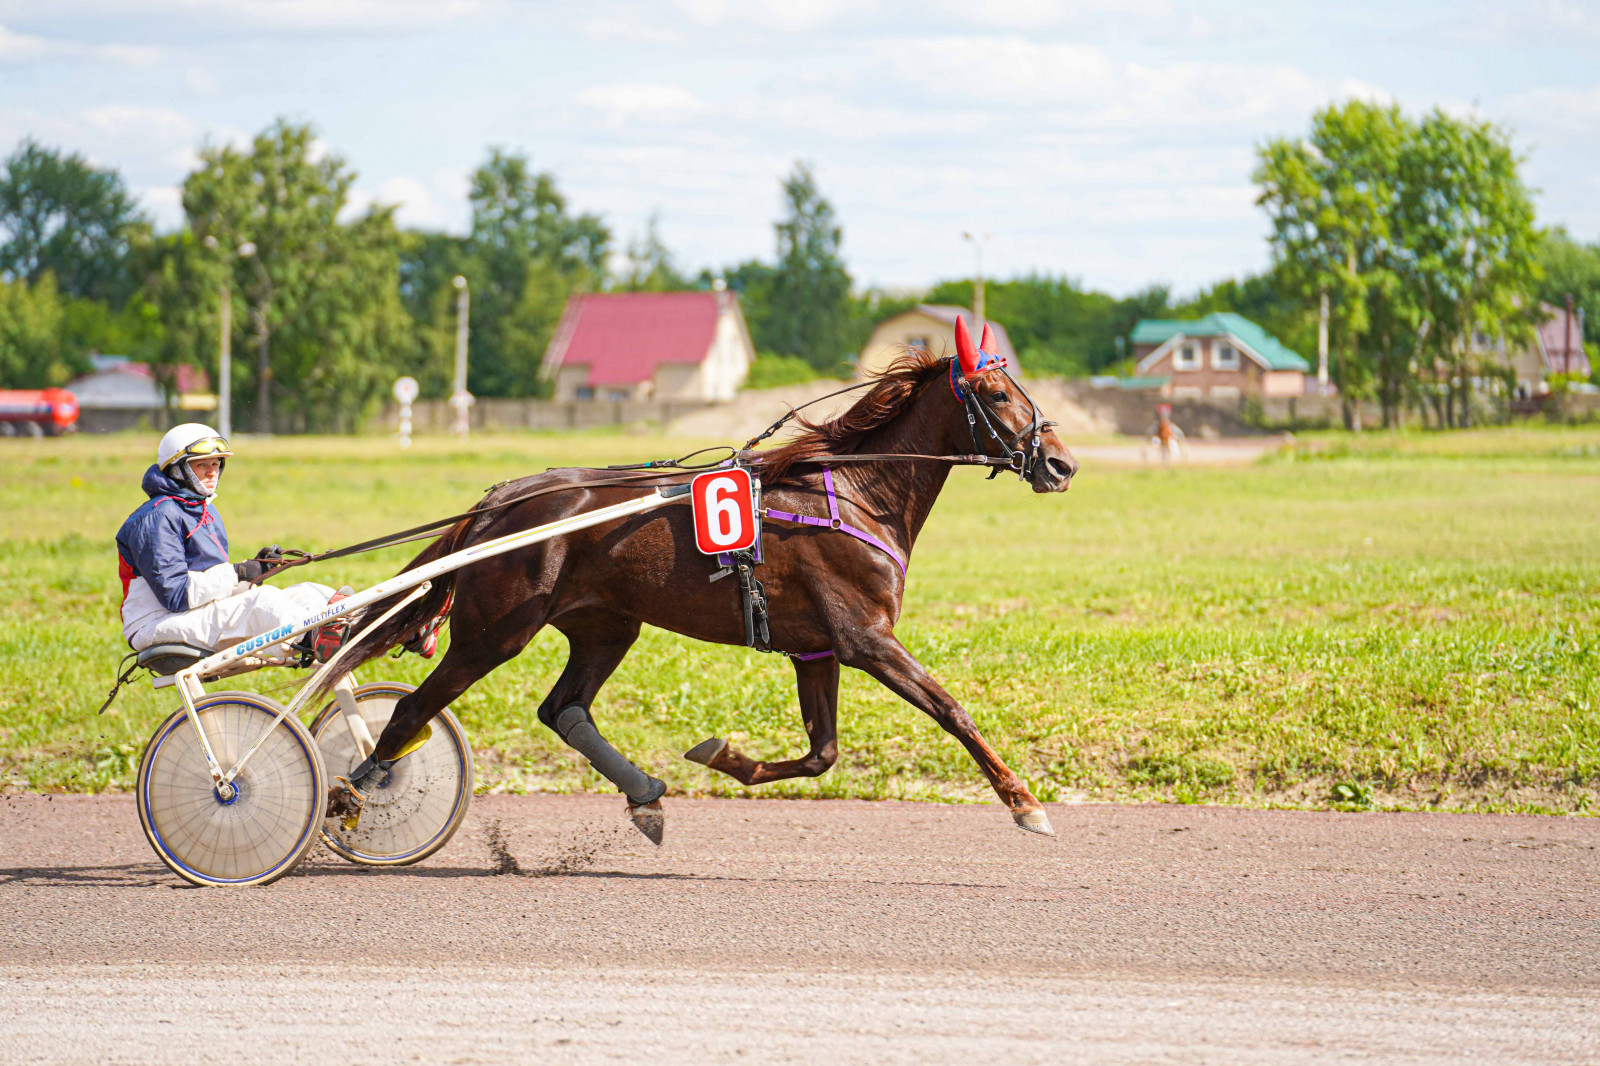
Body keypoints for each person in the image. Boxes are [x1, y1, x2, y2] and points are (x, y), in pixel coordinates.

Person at [115, 423, 344, 660]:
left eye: (216, 464)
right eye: (201, 464)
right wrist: (238, 573)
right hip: (157, 623)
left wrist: (255, 571)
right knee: (263, 602)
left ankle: (355, 626)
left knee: (308, 594)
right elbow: (176, 595)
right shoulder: (157, 517)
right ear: (177, 468)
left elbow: (214, 586)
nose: (212, 471)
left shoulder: (205, 512)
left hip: (193, 613)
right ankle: (316, 641)